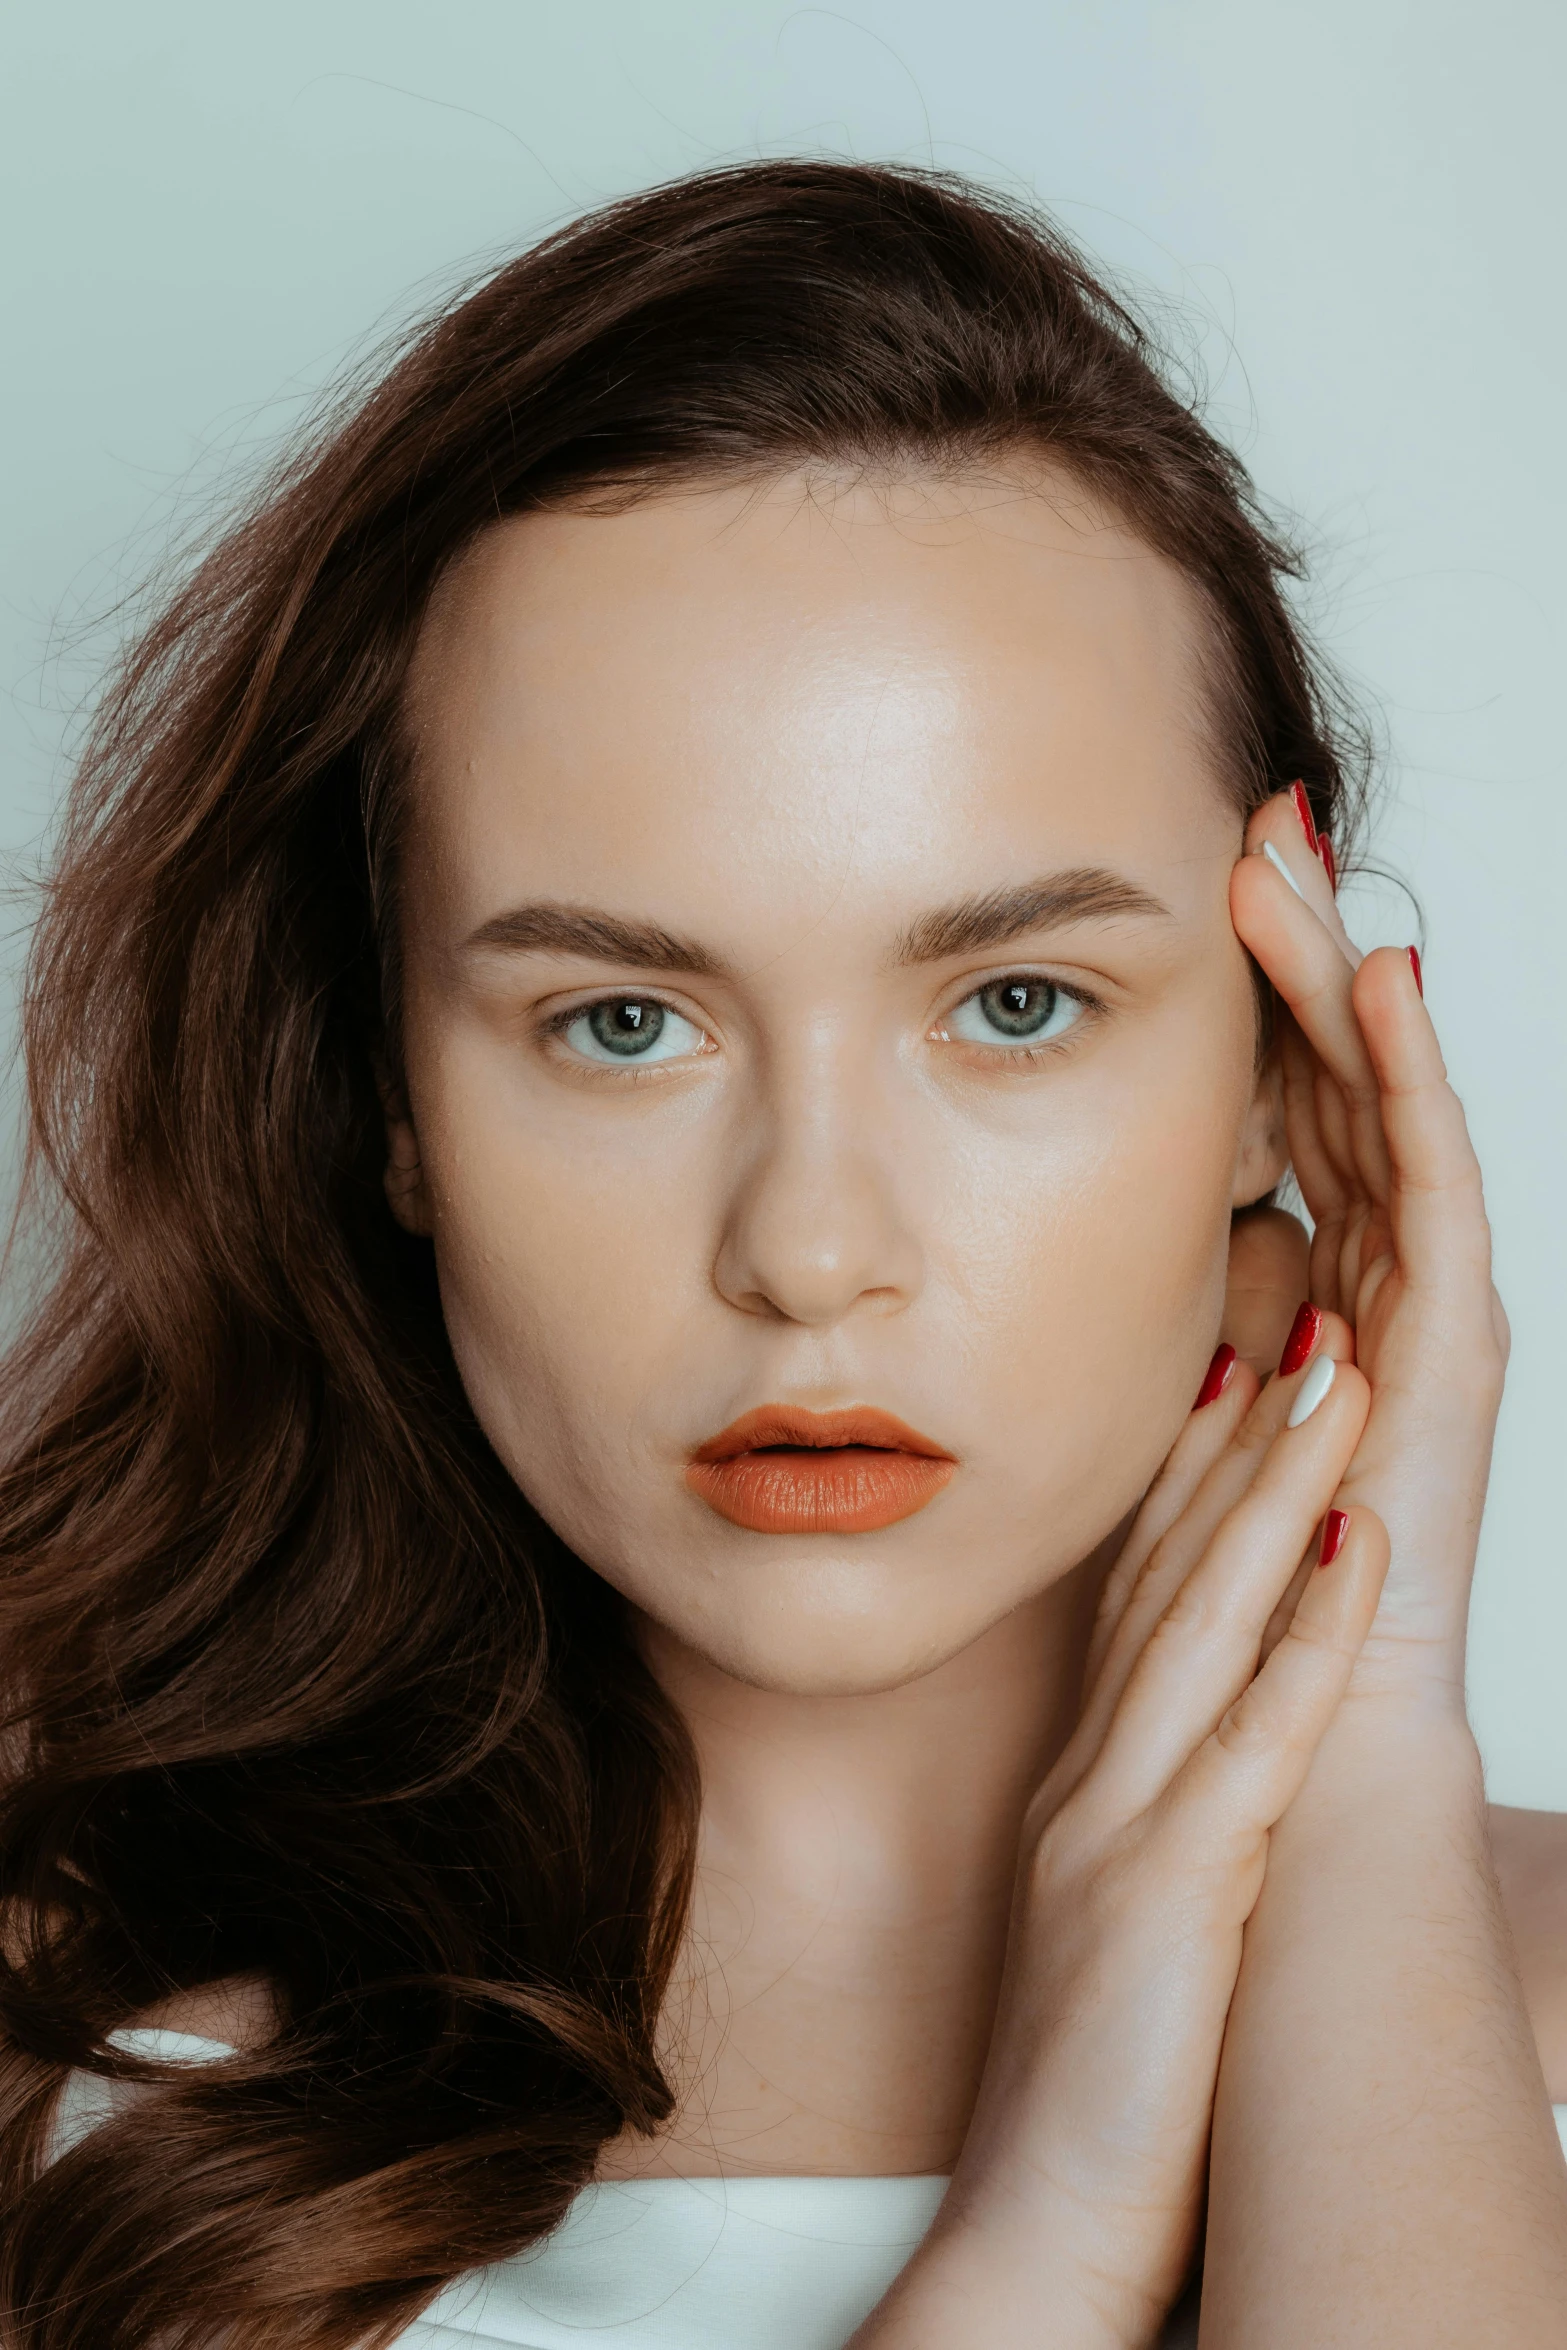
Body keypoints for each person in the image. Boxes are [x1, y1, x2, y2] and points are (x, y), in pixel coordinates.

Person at [1, 160, 1564, 2350]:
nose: (809, 1251)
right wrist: (1049, 2216)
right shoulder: (69, 2070)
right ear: (391, 1102)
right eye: (621, 1022)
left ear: (1284, 1072)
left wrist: (1368, 1763)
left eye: (1015, 1002)